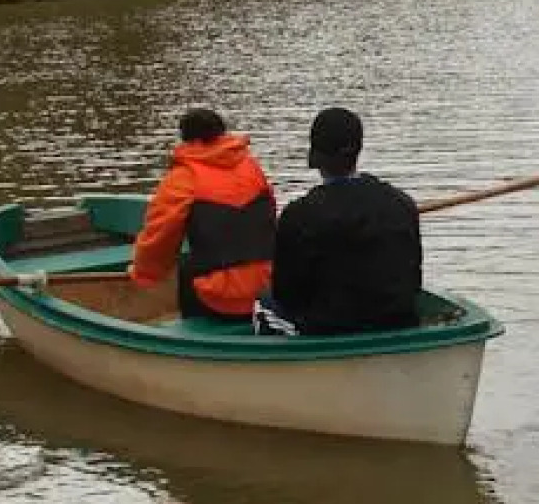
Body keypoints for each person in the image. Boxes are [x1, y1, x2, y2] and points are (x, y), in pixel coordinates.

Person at [252, 107, 422, 337]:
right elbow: (414, 278)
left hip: (328, 328)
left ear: (316, 156)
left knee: (263, 300)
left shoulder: (298, 215)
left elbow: (286, 294)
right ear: (358, 150)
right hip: (397, 320)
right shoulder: (403, 203)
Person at [129, 108, 276, 322]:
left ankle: (191, 330)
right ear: (222, 133)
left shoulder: (184, 177)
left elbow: (159, 236)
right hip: (268, 285)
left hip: (215, 296)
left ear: (186, 138)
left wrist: (143, 274)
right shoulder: (252, 168)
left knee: (187, 267)